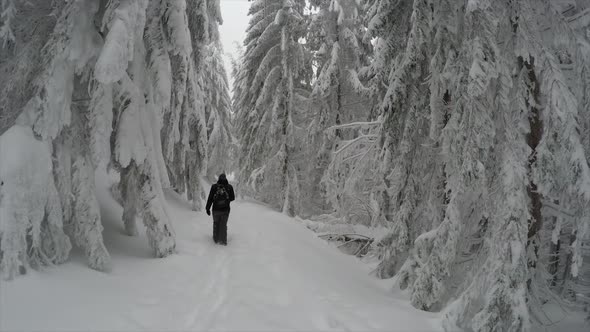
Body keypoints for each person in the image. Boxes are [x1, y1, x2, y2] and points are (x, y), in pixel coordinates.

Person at [205, 174, 235, 245]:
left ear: (218, 179)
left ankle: (216, 240)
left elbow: (210, 198)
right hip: (226, 210)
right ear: (225, 179)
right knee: (223, 225)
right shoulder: (229, 187)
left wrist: (207, 208)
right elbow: (232, 198)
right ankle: (223, 241)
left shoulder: (214, 187)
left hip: (215, 210)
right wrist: (226, 201)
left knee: (216, 224)